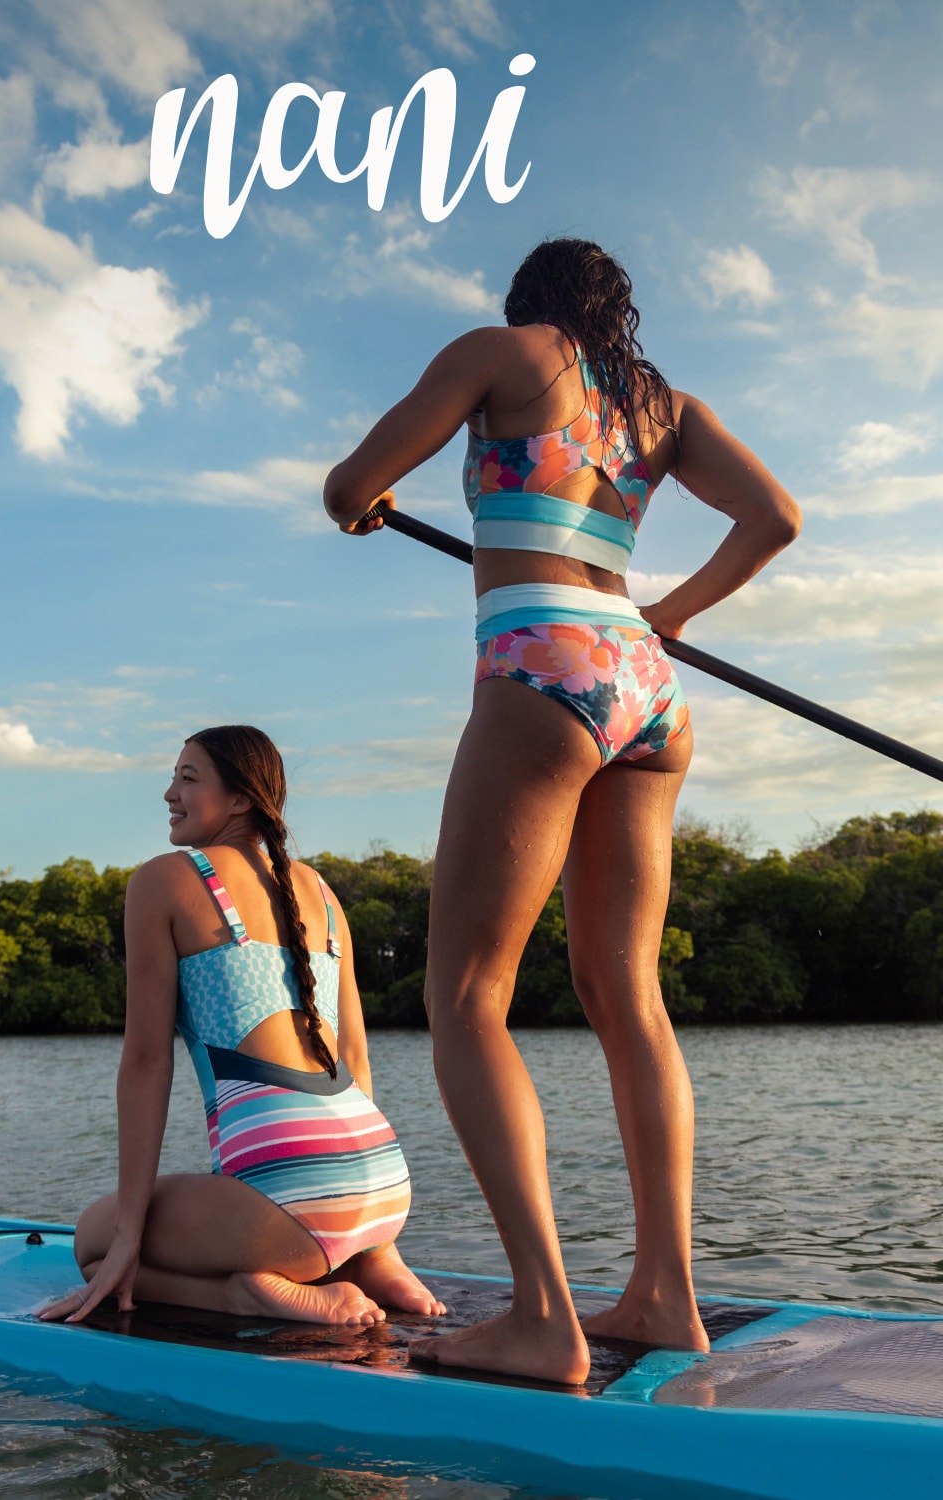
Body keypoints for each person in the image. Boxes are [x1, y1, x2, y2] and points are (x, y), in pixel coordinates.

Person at [323, 238, 800, 1382]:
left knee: (464, 996)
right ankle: (664, 1299)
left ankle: (544, 1317)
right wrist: (672, 613)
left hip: (545, 662)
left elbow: (345, 489)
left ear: (527, 301)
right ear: (615, 313)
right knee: (624, 993)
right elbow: (774, 516)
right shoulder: (663, 405)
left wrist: (369, 505)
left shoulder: (496, 353)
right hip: (645, 678)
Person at [41, 725, 443, 1329]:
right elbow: (355, 1057)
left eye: (187, 777)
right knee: (304, 1204)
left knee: (92, 1243)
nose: (169, 793)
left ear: (240, 799)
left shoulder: (165, 879)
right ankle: (372, 1259)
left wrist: (130, 1235)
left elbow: (148, 1062)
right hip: (384, 1179)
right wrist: (367, 1232)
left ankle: (244, 1292)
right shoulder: (323, 893)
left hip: (292, 1192)